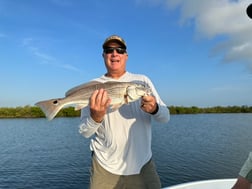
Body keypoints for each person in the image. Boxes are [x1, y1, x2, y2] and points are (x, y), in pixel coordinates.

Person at [79, 35, 170, 189]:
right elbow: (84, 132)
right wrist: (96, 118)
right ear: (103, 56)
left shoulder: (143, 81)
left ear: (126, 56)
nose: (115, 54)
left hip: (143, 165)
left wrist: (155, 109)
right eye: (109, 50)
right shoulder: (93, 86)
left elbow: (165, 117)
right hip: (104, 167)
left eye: (120, 50)